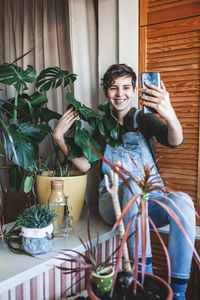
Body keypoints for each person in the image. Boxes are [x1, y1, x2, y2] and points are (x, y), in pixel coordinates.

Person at [53, 64, 195, 300]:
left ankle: (178, 294)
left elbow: (175, 140)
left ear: (134, 89)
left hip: (151, 200)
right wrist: (59, 138)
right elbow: (87, 165)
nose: (120, 94)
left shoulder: (145, 120)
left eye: (126, 87)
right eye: (113, 88)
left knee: (183, 201)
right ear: (106, 91)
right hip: (113, 202)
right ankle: (143, 282)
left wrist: (169, 113)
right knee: (133, 188)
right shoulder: (99, 125)